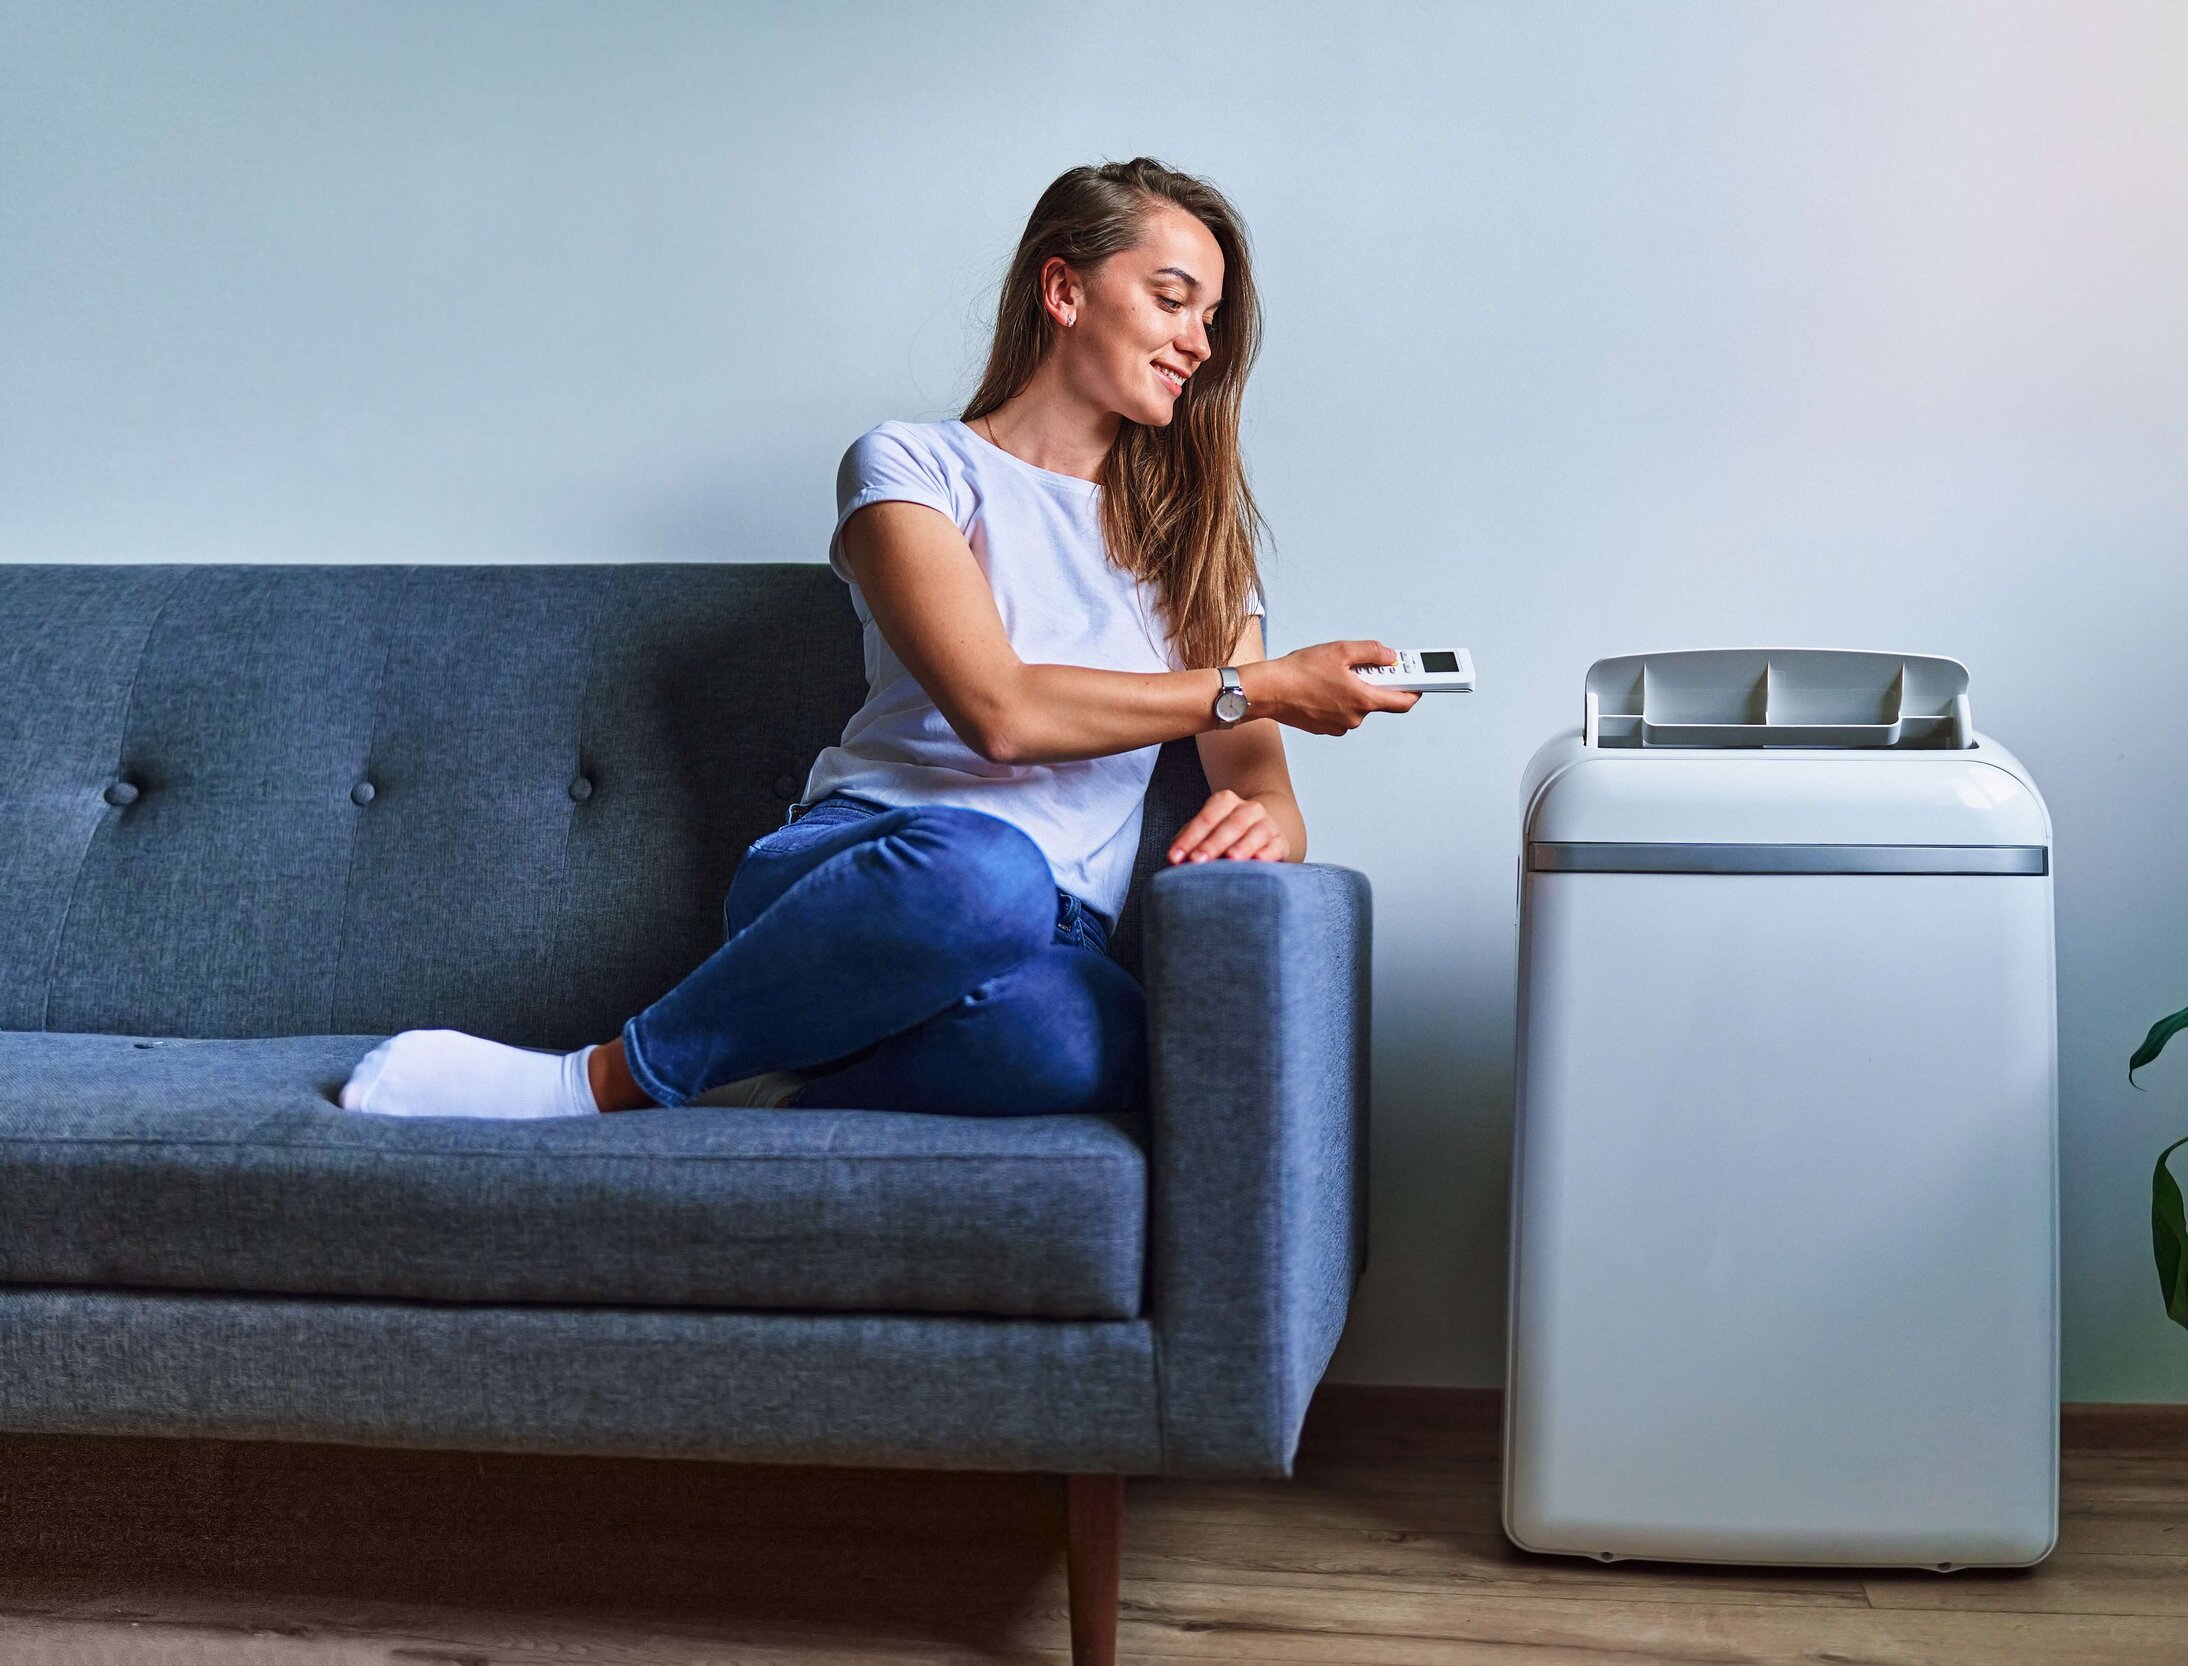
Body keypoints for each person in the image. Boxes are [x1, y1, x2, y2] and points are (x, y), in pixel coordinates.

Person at [336, 156, 1415, 1122]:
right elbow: (1002, 713)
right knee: (988, 871)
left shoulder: (1196, 547)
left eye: (1213, 317)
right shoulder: (911, 470)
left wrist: (1267, 821)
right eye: (1173, 300)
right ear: (1063, 290)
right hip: (873, 865)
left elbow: (1262, 788)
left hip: (1054, 935)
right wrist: (1254, 684)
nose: (1200, 342)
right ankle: (598, 1079)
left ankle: (764, 1066)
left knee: (1095, 1044)